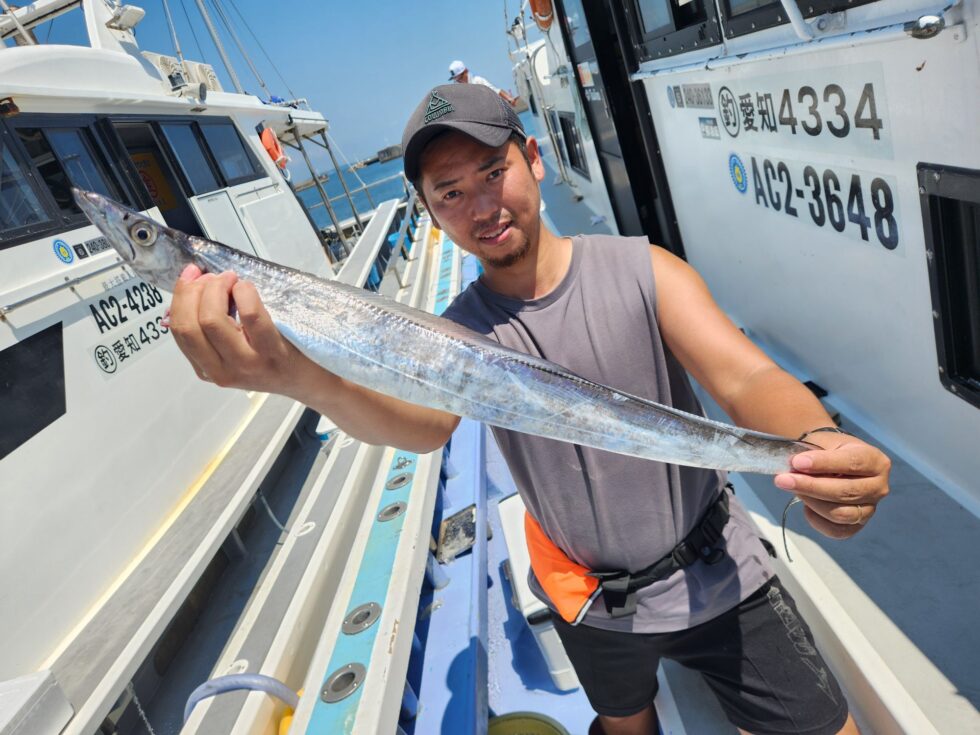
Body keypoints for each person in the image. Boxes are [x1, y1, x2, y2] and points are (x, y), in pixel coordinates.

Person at [167, 83, 891, 735]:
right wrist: (297, 376)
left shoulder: (644, 270)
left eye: (493, 172)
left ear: (534, 158)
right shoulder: (454, 334)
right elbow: (425, 426)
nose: (482, 207)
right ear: (430, 212)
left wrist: (816, 441)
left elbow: (745, 376)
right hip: (587, 596)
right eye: (449, 193)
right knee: (626, 724)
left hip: (718, 573)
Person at [449, 58, 519, 106]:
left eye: (460, 78)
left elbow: (496, 91)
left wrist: (510, 99)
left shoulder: (478, 81)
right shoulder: (460, 90)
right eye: (456, 80)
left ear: (466, 71)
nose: (459, 81)